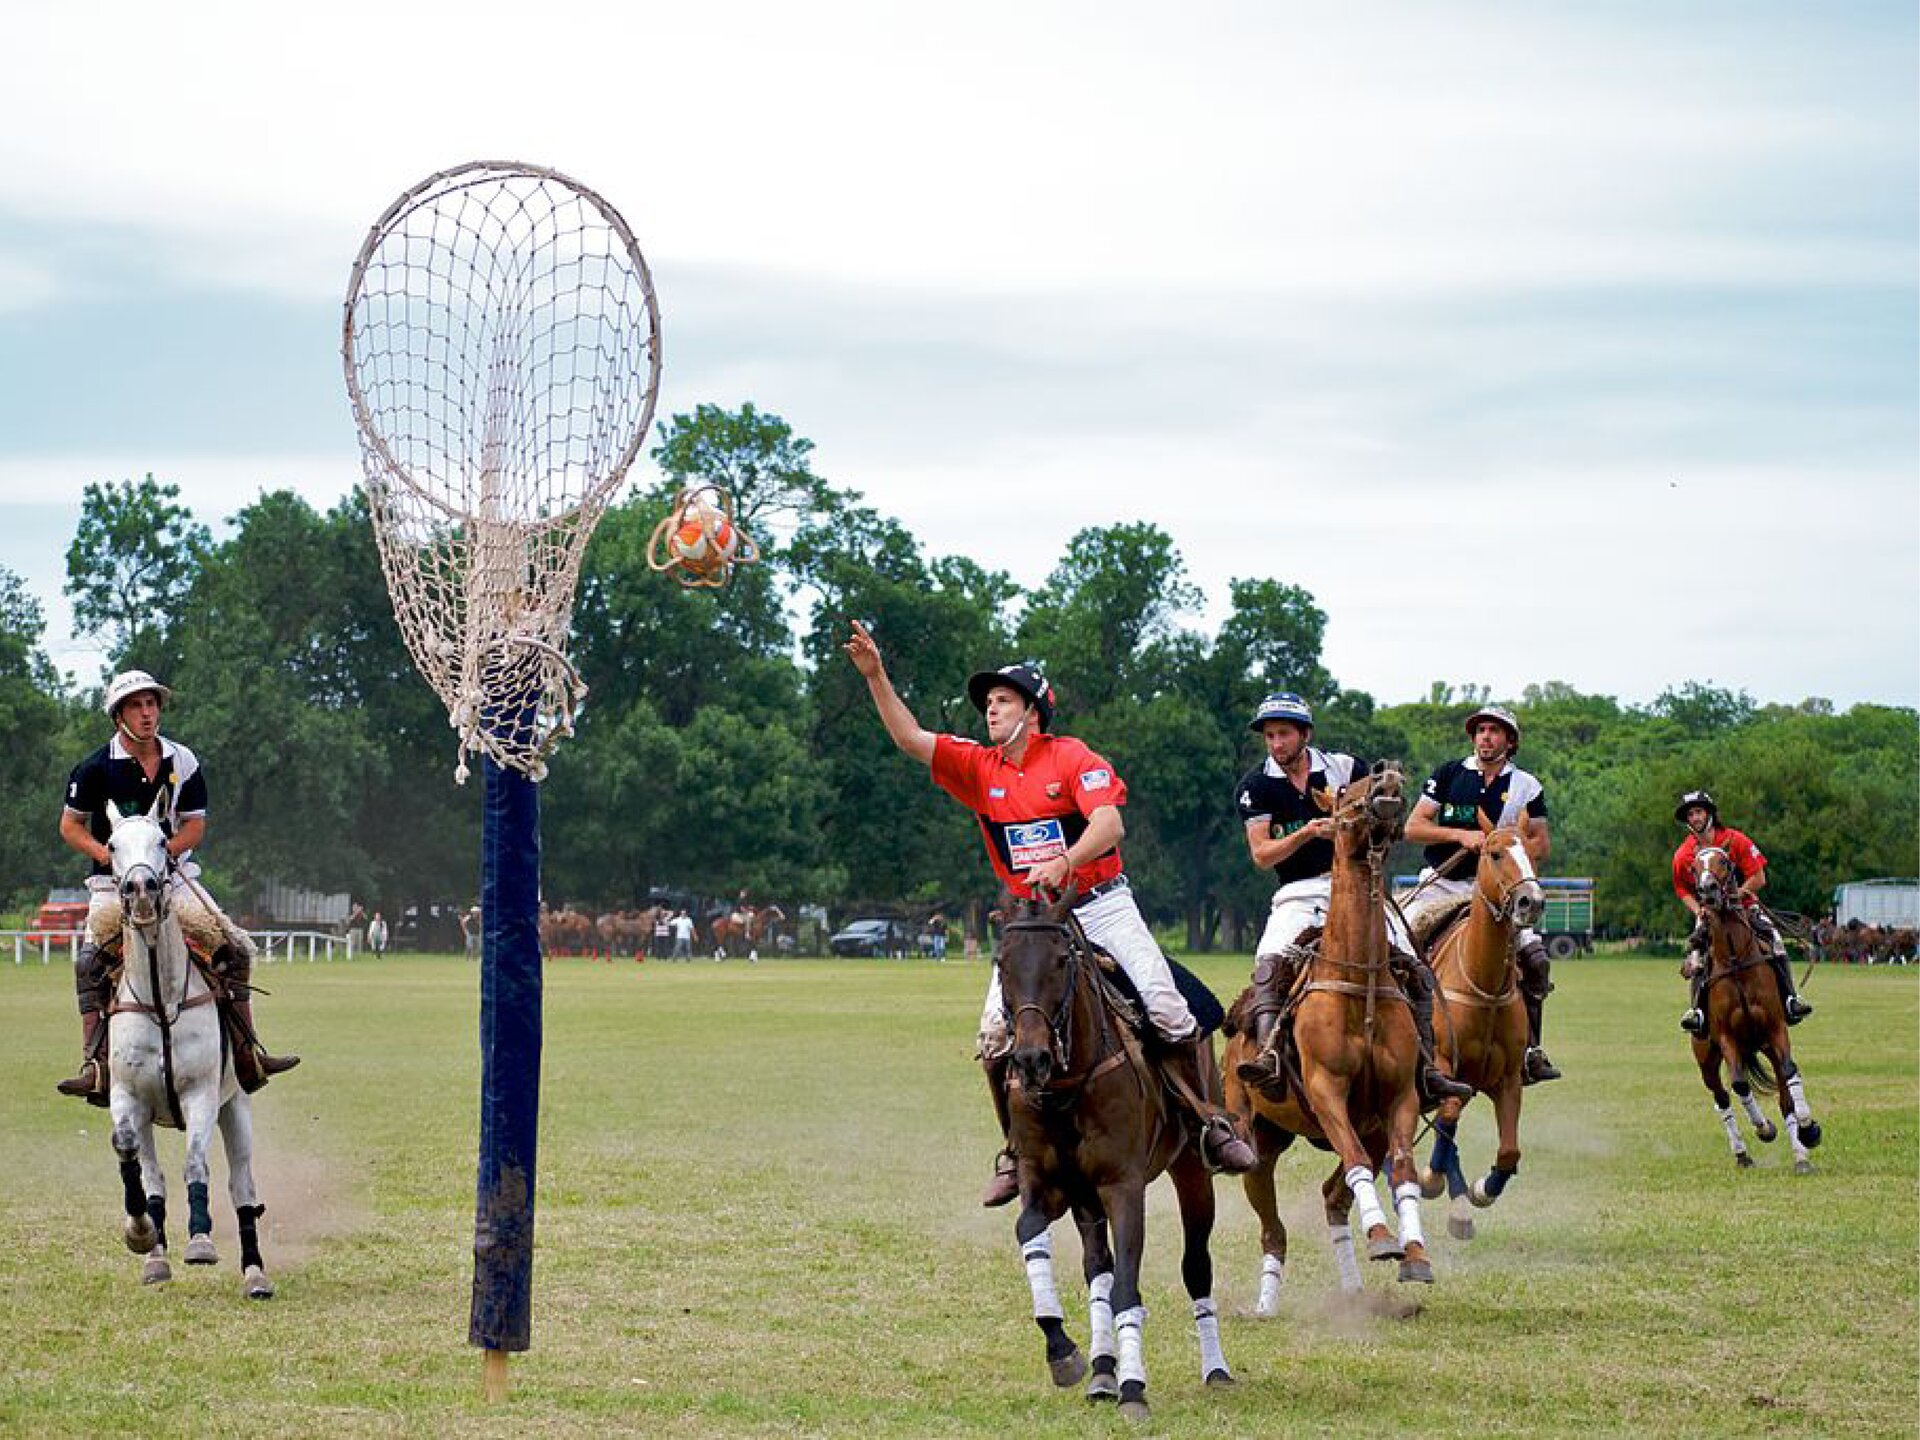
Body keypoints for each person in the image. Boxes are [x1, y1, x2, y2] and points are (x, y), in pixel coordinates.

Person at [844, 619, 1257, 1205]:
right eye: (988, 702)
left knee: (1167, 1007)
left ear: (1032, 711)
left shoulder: (1071, 757)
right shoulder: (979, 767)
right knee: (994, 1036)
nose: (990, 710)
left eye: (1003, 700)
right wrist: (875, 676)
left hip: (1101, 905)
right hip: (1035, 923)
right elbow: (910, 738)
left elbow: (1109, 824)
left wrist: (1065, 861)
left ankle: (1207, 1124)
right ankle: (1016, 1151)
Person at [56, 670, 299, 1102]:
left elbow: (194, 825)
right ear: (118, 716)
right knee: (89, 963)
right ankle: (96, 1065)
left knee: (234, 949)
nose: (147, 713)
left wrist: (161, 855)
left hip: (173, 877)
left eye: (151, 703)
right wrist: (107, 855)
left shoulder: (181, 760)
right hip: (113, 886)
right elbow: (70, 825)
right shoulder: (94, 768)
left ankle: (248, 1053)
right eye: (136, 705)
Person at [1231, 693, 1473, 1106]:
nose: (1276, 744)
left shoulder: (1345, 768)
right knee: (1269, 961)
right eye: (1269, 736)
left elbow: (1381, 817)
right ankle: (1269, 1056)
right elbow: (1262, 854)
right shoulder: (1255, 786)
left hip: (1360, 888)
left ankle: (1428, 1066)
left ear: (1305, 734)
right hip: (1298, 892)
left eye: (1284, 734)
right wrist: (1308, 832)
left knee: (1412, 964)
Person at [1402, 705, 1561, 1085]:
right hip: (1442, 885)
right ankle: (1405, 1041)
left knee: (1536, 961)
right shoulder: (1449, 774)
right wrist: (1459, 835)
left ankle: (1531, 1050)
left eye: (1494, 731)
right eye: (1481, 730)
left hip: (1497, 895)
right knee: (1399, 948)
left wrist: (1505, 843)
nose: (1486, 737)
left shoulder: (1526, 786)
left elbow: (1541, 844)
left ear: (1510, 741)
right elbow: (1414, 827)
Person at [1671, 789, 1812, 1033]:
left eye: (1699, 812)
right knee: (1696, 957)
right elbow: (1682, 889)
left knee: (1775, 940)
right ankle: (1697, 1012)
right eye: (1690, 814)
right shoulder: (1683, 854)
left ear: (1709, 814)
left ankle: (1790, 999)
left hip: (1744, 908)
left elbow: (1759, 876)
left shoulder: (1735, 840)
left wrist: (1738, 894)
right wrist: (1697, 910)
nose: (1695, 818)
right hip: (1710, 914)